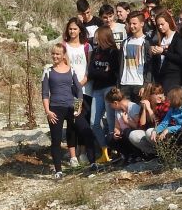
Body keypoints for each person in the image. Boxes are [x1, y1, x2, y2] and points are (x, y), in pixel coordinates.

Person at [42, 44, 92, 178]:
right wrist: (47, 111)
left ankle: (91, 162)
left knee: (84, 130)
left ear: (63, 55)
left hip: (71, 107)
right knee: (56, 140)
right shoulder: (48, 71)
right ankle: (58, 170)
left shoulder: (71, 70)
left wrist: (78, 107)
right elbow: (45, 93)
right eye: (53, 53)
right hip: (55, 109)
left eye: (58, 54)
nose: (55, 56)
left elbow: (79, 90)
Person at [87, 26, 121, 165]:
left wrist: (101, 72)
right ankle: (104, 150)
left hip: (109, 88)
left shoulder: (114, 52)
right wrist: (103, 72)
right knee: (94, 123)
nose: (95, 40)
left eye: (98, 37)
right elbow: (91, 72)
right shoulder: (96, 51)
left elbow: (112, 73)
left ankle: (116, 150)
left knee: (112, 121)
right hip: (97, 89)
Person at [61, 17, 91, 165]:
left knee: (83, 121)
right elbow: (63, 66)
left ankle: (83, 152)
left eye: (75, 29)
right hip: (70, 90)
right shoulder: (64, 46)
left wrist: (82, 82)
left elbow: (89, 67)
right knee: (72, 121)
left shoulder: (86, 46)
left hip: (85, 89)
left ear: (80, 30)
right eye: (70, 29)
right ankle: (73, 155)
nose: (72, 31)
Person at [149, 9, 182, 91]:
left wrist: (163, 52)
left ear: (169, 22)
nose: (160, 27)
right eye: (158, 25)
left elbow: (180, 58)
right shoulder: (160, 39)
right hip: (159, 77)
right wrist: (153, 52)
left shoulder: (178, 38)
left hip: (173, 78)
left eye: (162, 24)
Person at [106, 86, 143, 164]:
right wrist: (116, 132)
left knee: (127, 131)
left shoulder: (133, 107)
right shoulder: (118, 110)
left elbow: (139, 126)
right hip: (126, 136)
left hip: (136, 136)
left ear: (115, 103)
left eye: (110, 104)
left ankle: (138, 155)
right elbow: (117, 126)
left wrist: (127, 121)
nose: (110, 107)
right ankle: (128, 155)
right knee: (109, 138)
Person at [119, 12, 152, 100]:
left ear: (142, 24)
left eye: (134, 23)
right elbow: (121, 63)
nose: (131, 26)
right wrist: (119, 83)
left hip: (139, 83)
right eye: (130, 23)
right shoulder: (125, 42)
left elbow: (150, 65)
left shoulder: (147, 42)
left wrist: (145, 84)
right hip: (125, 83)